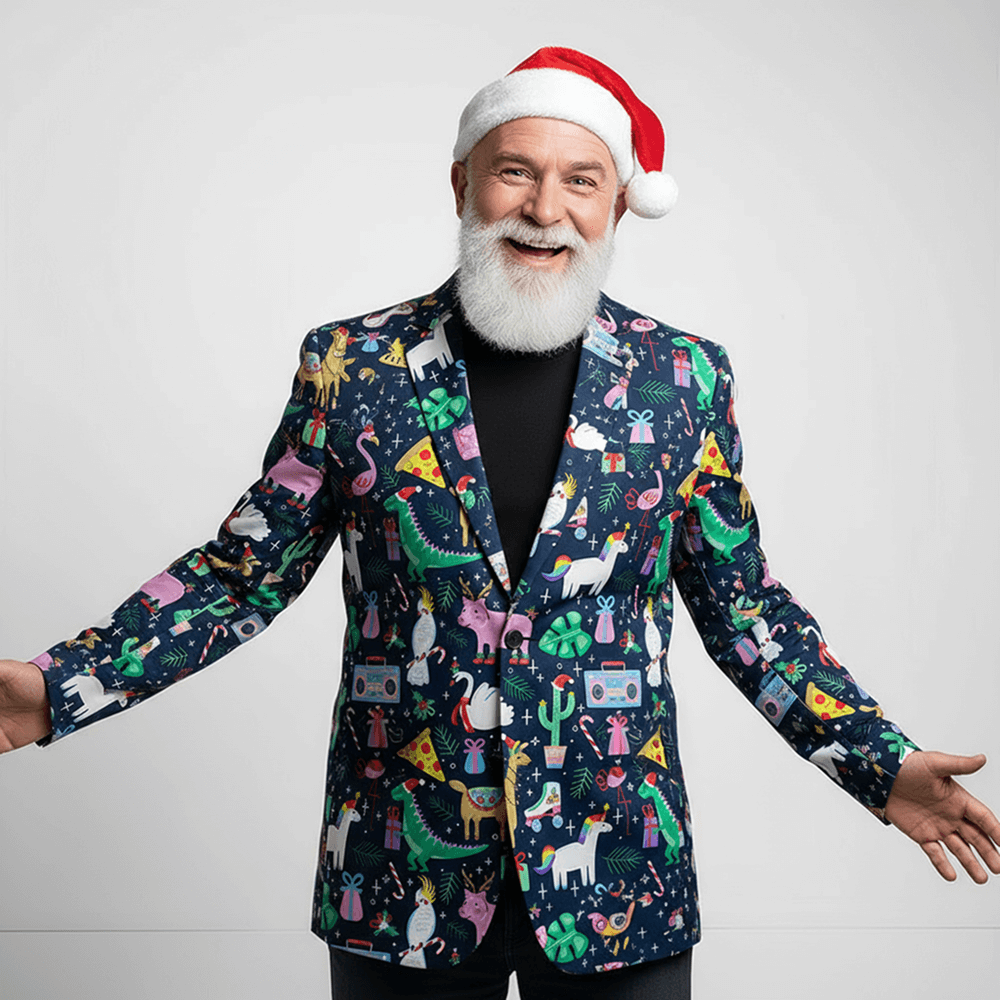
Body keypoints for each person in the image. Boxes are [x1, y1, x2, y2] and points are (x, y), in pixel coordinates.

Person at [1, 46, 997, 1000]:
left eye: (579, 180)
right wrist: (60, 687)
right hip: (401, 869)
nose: (543, 208)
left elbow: (744, 610)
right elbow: (240, 576)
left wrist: (874, 758)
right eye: (513, 172)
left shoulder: (682, 379)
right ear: (460, 183)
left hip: (619, 872)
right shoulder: (352, 368)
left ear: (615, 204)